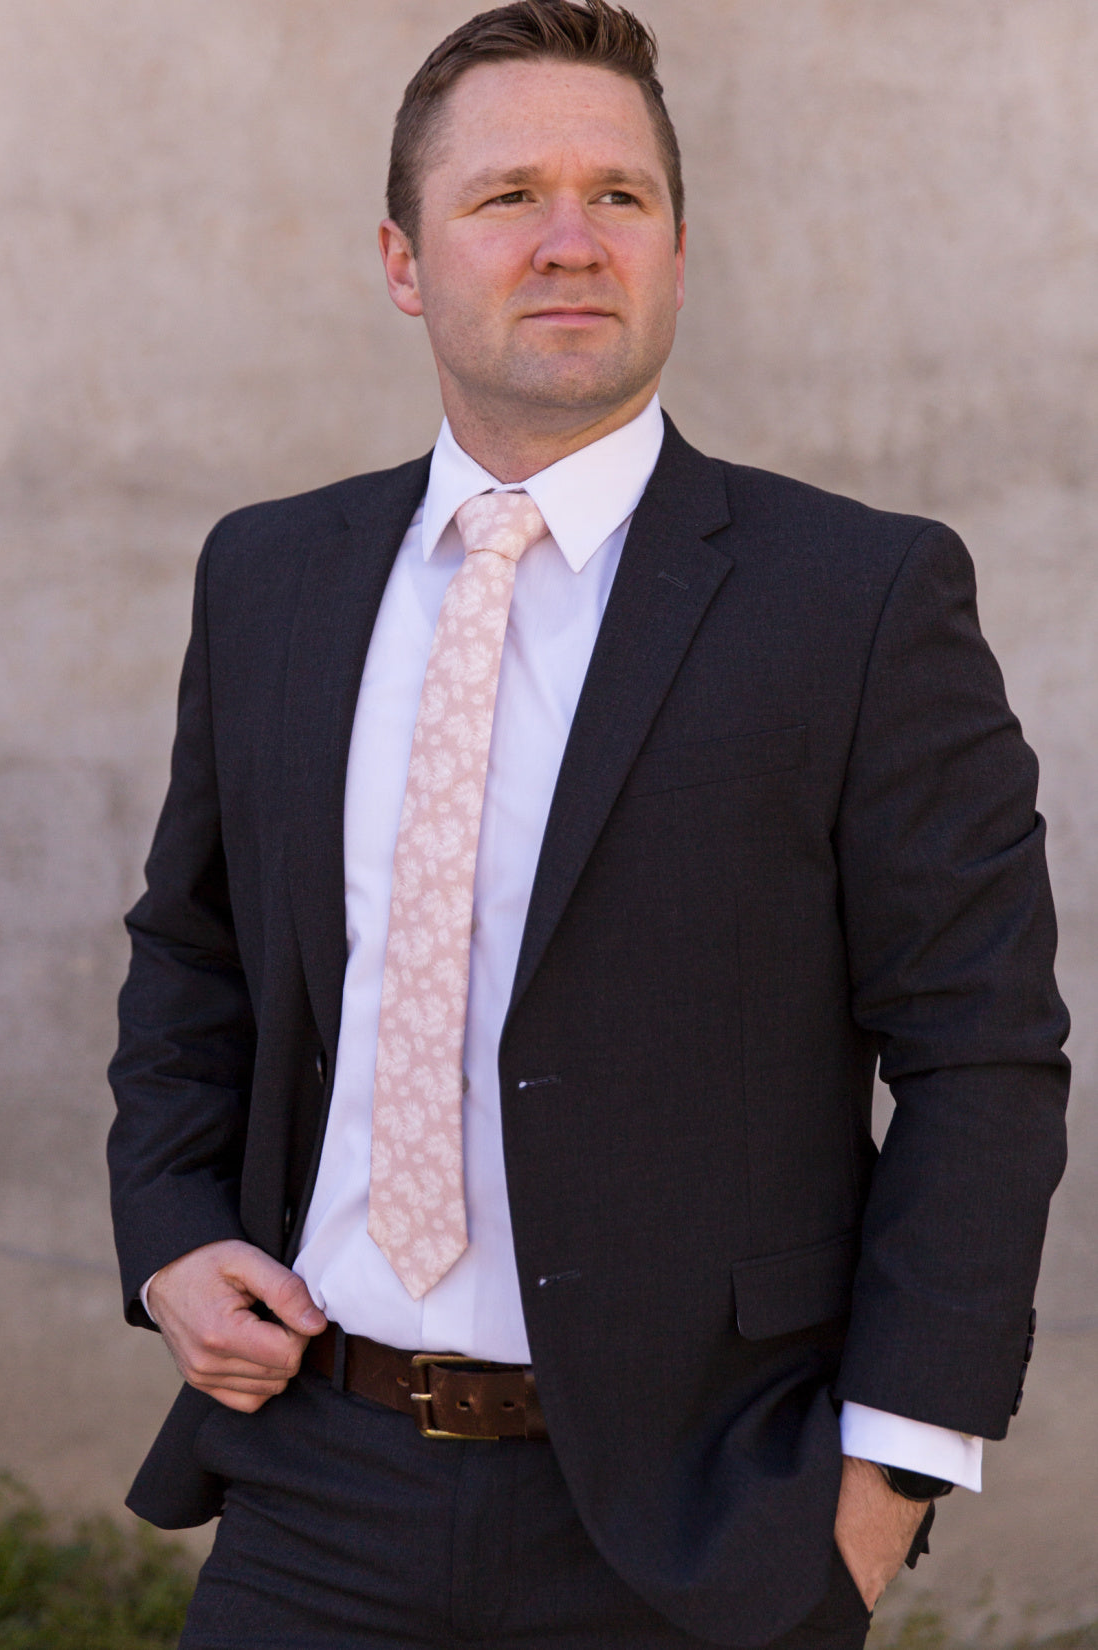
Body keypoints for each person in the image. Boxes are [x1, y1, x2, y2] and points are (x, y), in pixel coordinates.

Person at [107, 3, 1070, 1646]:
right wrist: (172, 1232)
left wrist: (886, 1476)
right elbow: (193, 958)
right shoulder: (268, 575)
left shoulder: (857, 596)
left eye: (618, 197)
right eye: (507, 198)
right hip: (312, 1490)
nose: (571, 240)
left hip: (695, 1525)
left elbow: (982, 1050)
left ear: (677, 249)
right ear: (404, 260)